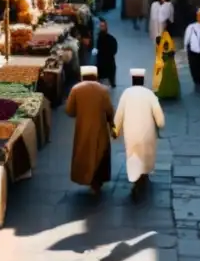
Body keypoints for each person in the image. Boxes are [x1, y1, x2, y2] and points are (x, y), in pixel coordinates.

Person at [114, 67, 166, 200]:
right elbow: (160, 119)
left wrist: (115, 130)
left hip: (130, 133)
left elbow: (119, 115)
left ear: (132, 80)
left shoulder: (126, 93)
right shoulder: (149, 94)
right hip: (147, 133)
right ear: (143, 80)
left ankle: (135, 180)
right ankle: (143, 176)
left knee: (133, 156)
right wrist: (160, 125)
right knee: (146, 155)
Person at [65, 66, 116, 196]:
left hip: (82, 130)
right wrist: (113, 127)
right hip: (100, 130)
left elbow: (69, 111)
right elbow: (110, 111)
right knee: (99, 153)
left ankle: (88, 178)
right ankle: (97, 182)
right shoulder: (103, 90)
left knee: (85, 154)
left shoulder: (76, 89)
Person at [153, 32, 180, 100]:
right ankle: (171, 93)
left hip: (165, 68)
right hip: (169, 68)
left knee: (164, 80)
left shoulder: (160, 51)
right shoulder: (169, 52)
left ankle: (165, 93)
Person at [95, 19, 119, 88]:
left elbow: (114, 51)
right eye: (101, 26)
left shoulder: (111, 39)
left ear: (106, 27)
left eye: (103, 26)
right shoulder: (97, 39)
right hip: (102, 61)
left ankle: (111, 81)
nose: (102, 28)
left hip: (107, 61)